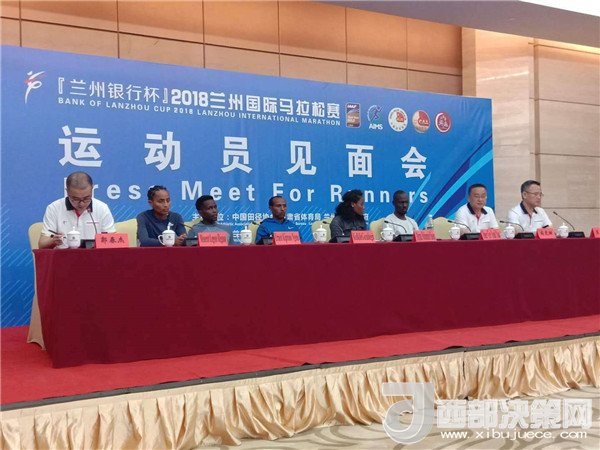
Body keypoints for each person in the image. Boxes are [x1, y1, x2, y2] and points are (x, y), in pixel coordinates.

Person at [38, 171, 115, 249]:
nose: (81, 204)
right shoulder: (54, 208)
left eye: (86, 198)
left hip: (94, 255)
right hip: (63, 255)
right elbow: (42, 244)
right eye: (76, 199)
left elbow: (113, 242)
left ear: (92, 189)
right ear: (67, 191)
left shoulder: (102, 208)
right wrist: (53, 241)